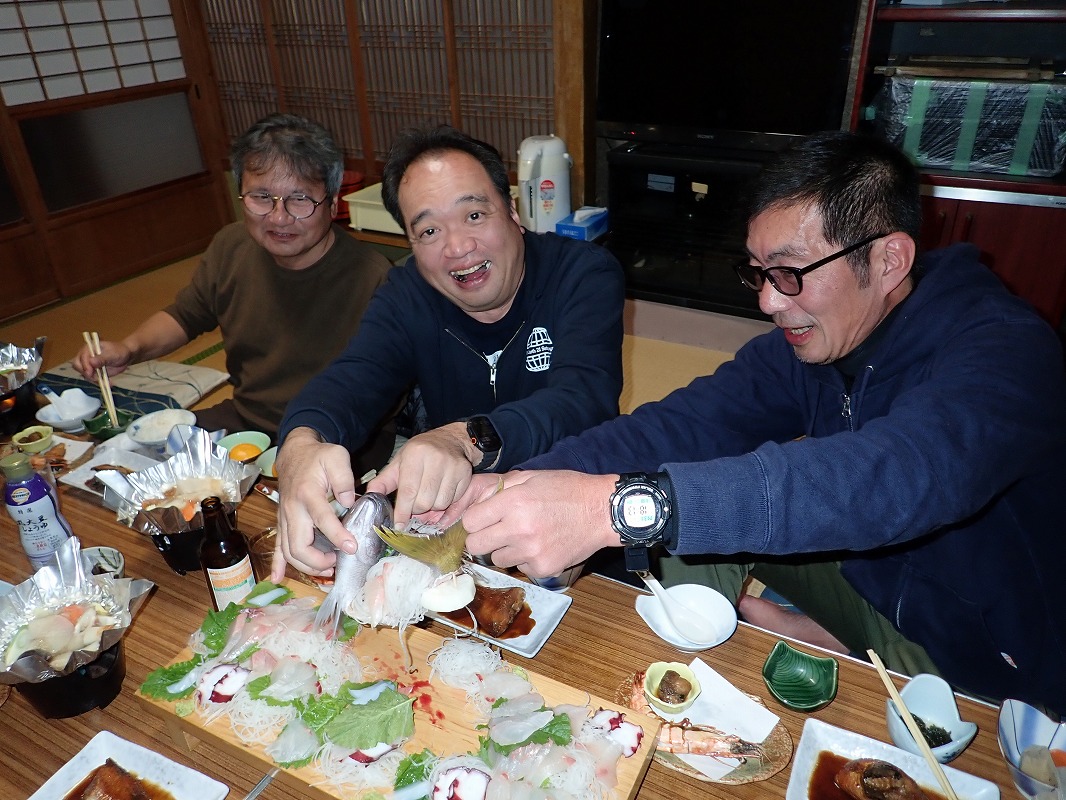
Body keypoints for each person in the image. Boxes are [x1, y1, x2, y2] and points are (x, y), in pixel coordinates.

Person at [447, 130, 1066, 714]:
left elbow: (893, 476)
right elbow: (683, 425)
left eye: (791, 273)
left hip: (982, 663)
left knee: (671, 508)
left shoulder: (1007, 350)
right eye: (759, 272)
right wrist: (518, 486)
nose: (769, 300)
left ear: (888, 260)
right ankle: (750, 660)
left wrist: (614, 508)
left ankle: (815, 638)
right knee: (685, 503)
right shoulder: (816, 343)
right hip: (873, 579)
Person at [270, 125, 624, 580]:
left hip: (573, 505)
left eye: (474, 215)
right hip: (454, 520)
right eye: (430, 230)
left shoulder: (582, 273)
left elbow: (583, 398)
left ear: (511, 210)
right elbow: (355, 376)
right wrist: (299, 444)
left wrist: (466, 438)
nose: (458, 247)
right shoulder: (407, 294)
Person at [72, 113, 395, 472]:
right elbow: (187, 315)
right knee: (132, 466)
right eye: (262, 197)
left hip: (341, 436)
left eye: (300, 199)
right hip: (249, 421)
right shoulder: (231, 246)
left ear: (333, 204)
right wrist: (130, 348)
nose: (279, 217)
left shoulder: (374, 277)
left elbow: (382, 389)